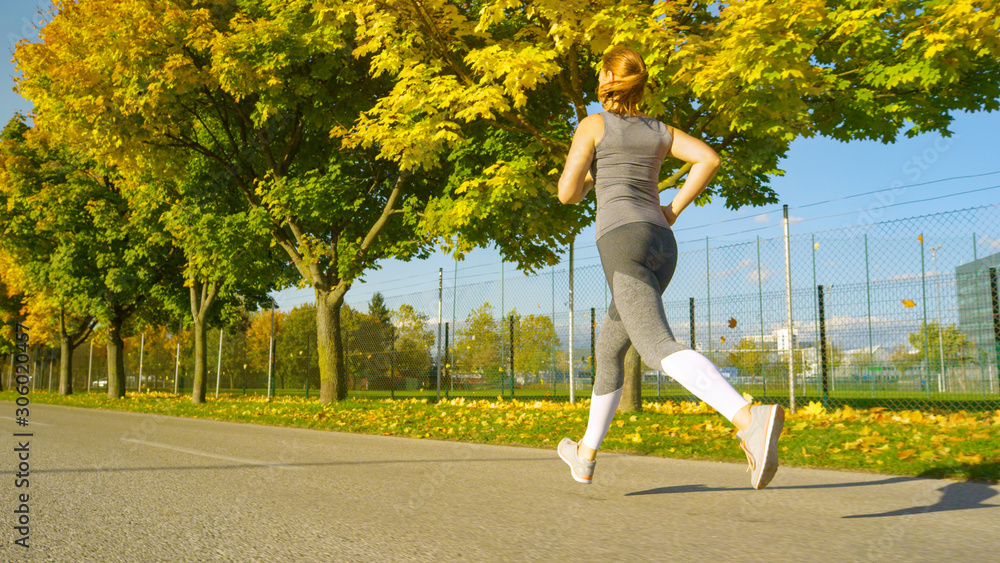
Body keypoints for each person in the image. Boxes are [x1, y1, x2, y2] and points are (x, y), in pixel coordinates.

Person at [555, 46, 784, 490]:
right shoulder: (659, 130)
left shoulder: (592, 126)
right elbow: (709, 159)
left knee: (657, 347)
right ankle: (584, 455)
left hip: (622, 242)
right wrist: (672, 209)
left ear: (606, 79)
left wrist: (586, 173)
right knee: (609, 350)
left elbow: (567, 194)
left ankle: (747, 418)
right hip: (662, 243)